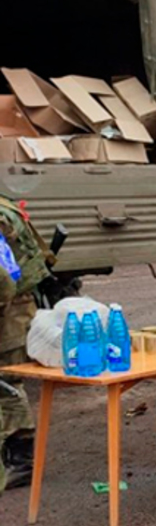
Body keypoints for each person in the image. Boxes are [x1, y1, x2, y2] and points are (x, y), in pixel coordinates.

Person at [0, 197, 54, 491]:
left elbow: (3, 282)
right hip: (14, 306)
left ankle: (21, 462)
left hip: (10, 310)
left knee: (6, 382)